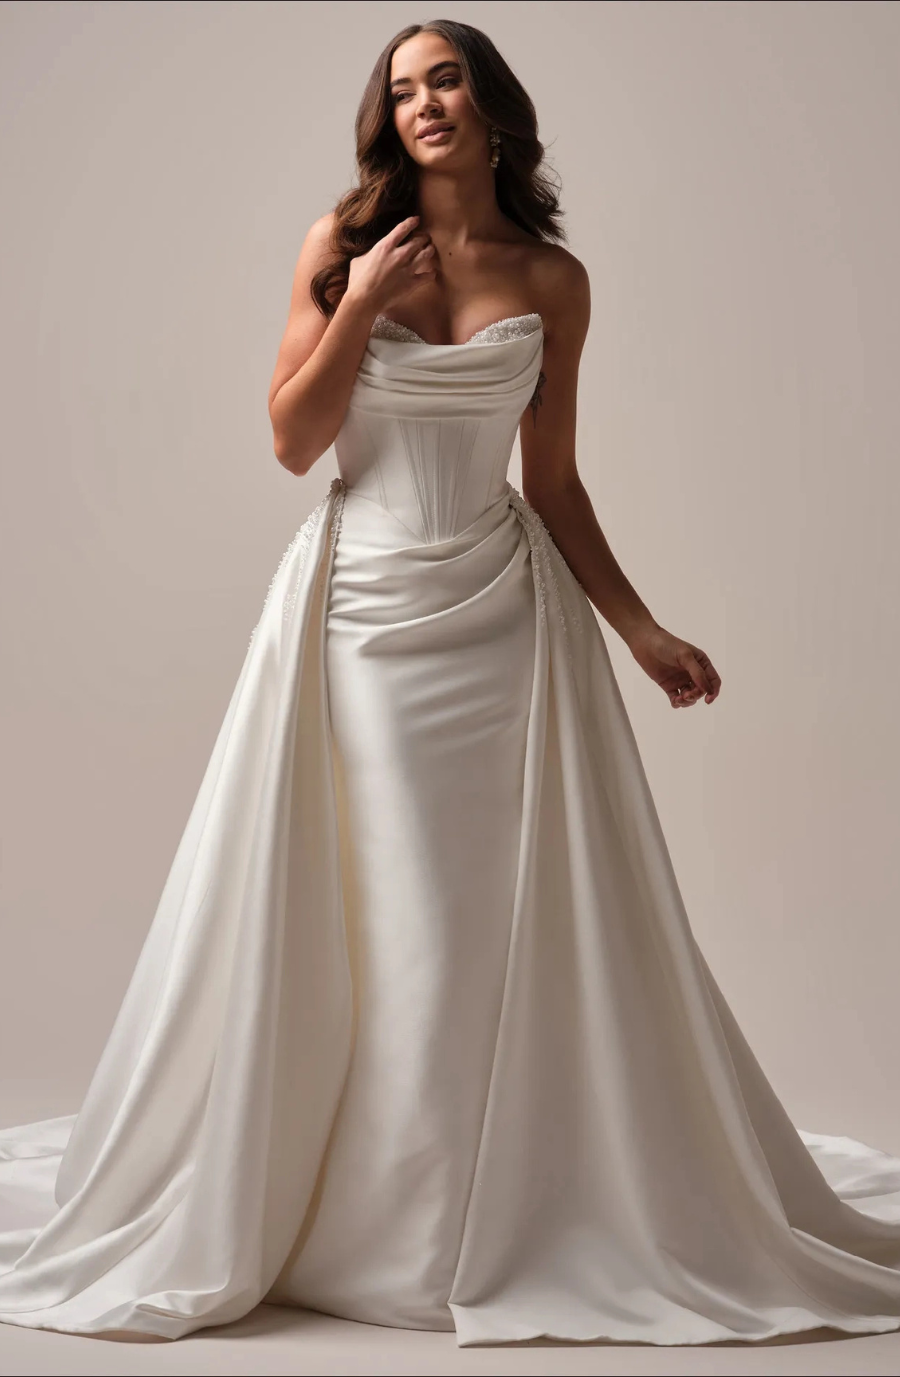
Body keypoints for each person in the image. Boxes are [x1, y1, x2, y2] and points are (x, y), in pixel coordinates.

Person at [2, 17, 900, 1350]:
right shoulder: (337, 245)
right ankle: (380, 1216)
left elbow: (554, 482)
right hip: (358, 615)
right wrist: (358, 303)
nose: (425, 102)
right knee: (388, 911)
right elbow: (293, 444)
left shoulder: (553, 276)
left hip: (510, 618)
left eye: (447, 79)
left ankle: (520, 1201)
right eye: (402, 86)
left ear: (492, 107)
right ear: (387, 115)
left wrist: (640, 630)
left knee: (491, 919)